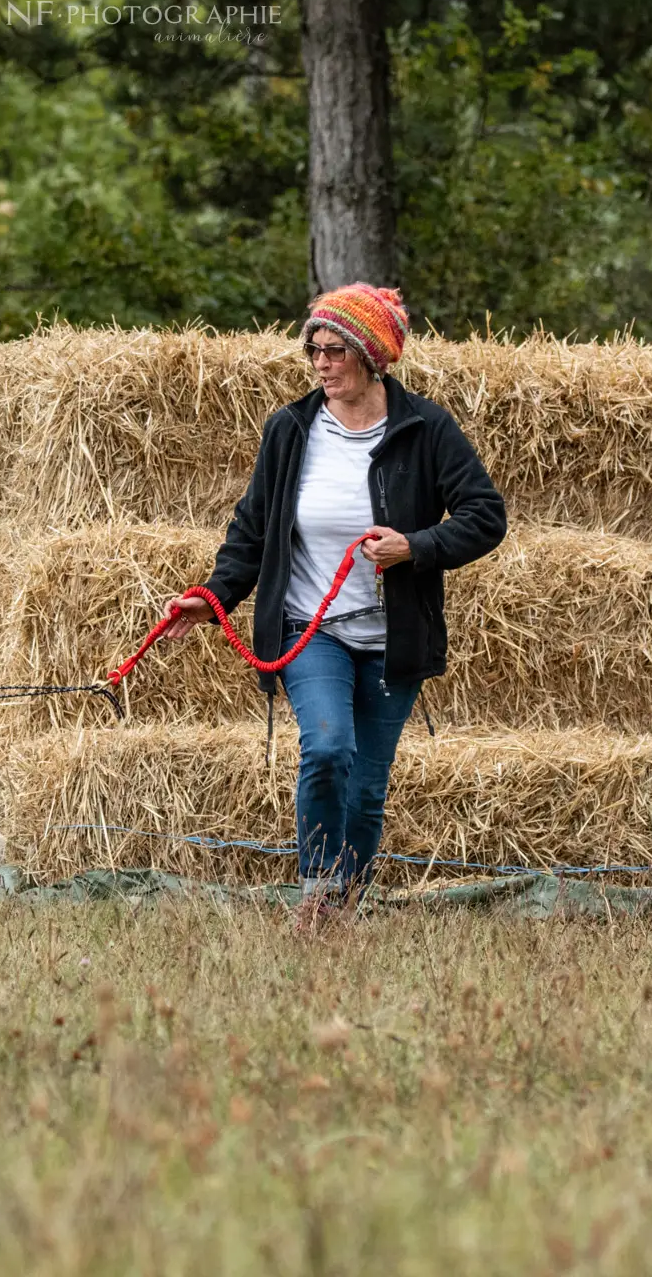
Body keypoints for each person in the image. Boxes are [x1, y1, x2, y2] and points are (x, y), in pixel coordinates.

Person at [161, 283, 507, 931]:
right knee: (325, 748)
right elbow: (252, 529)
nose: (321, 362)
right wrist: (213, 598)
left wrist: (416, 545)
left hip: (392, 638)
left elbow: (486, 516)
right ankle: (319, 889)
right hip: (307, 630)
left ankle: (342, 906)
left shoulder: (425, 429)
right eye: (313, 349)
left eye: (335, 350)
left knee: (367, 786)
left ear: (372, 356)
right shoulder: (290, 430)